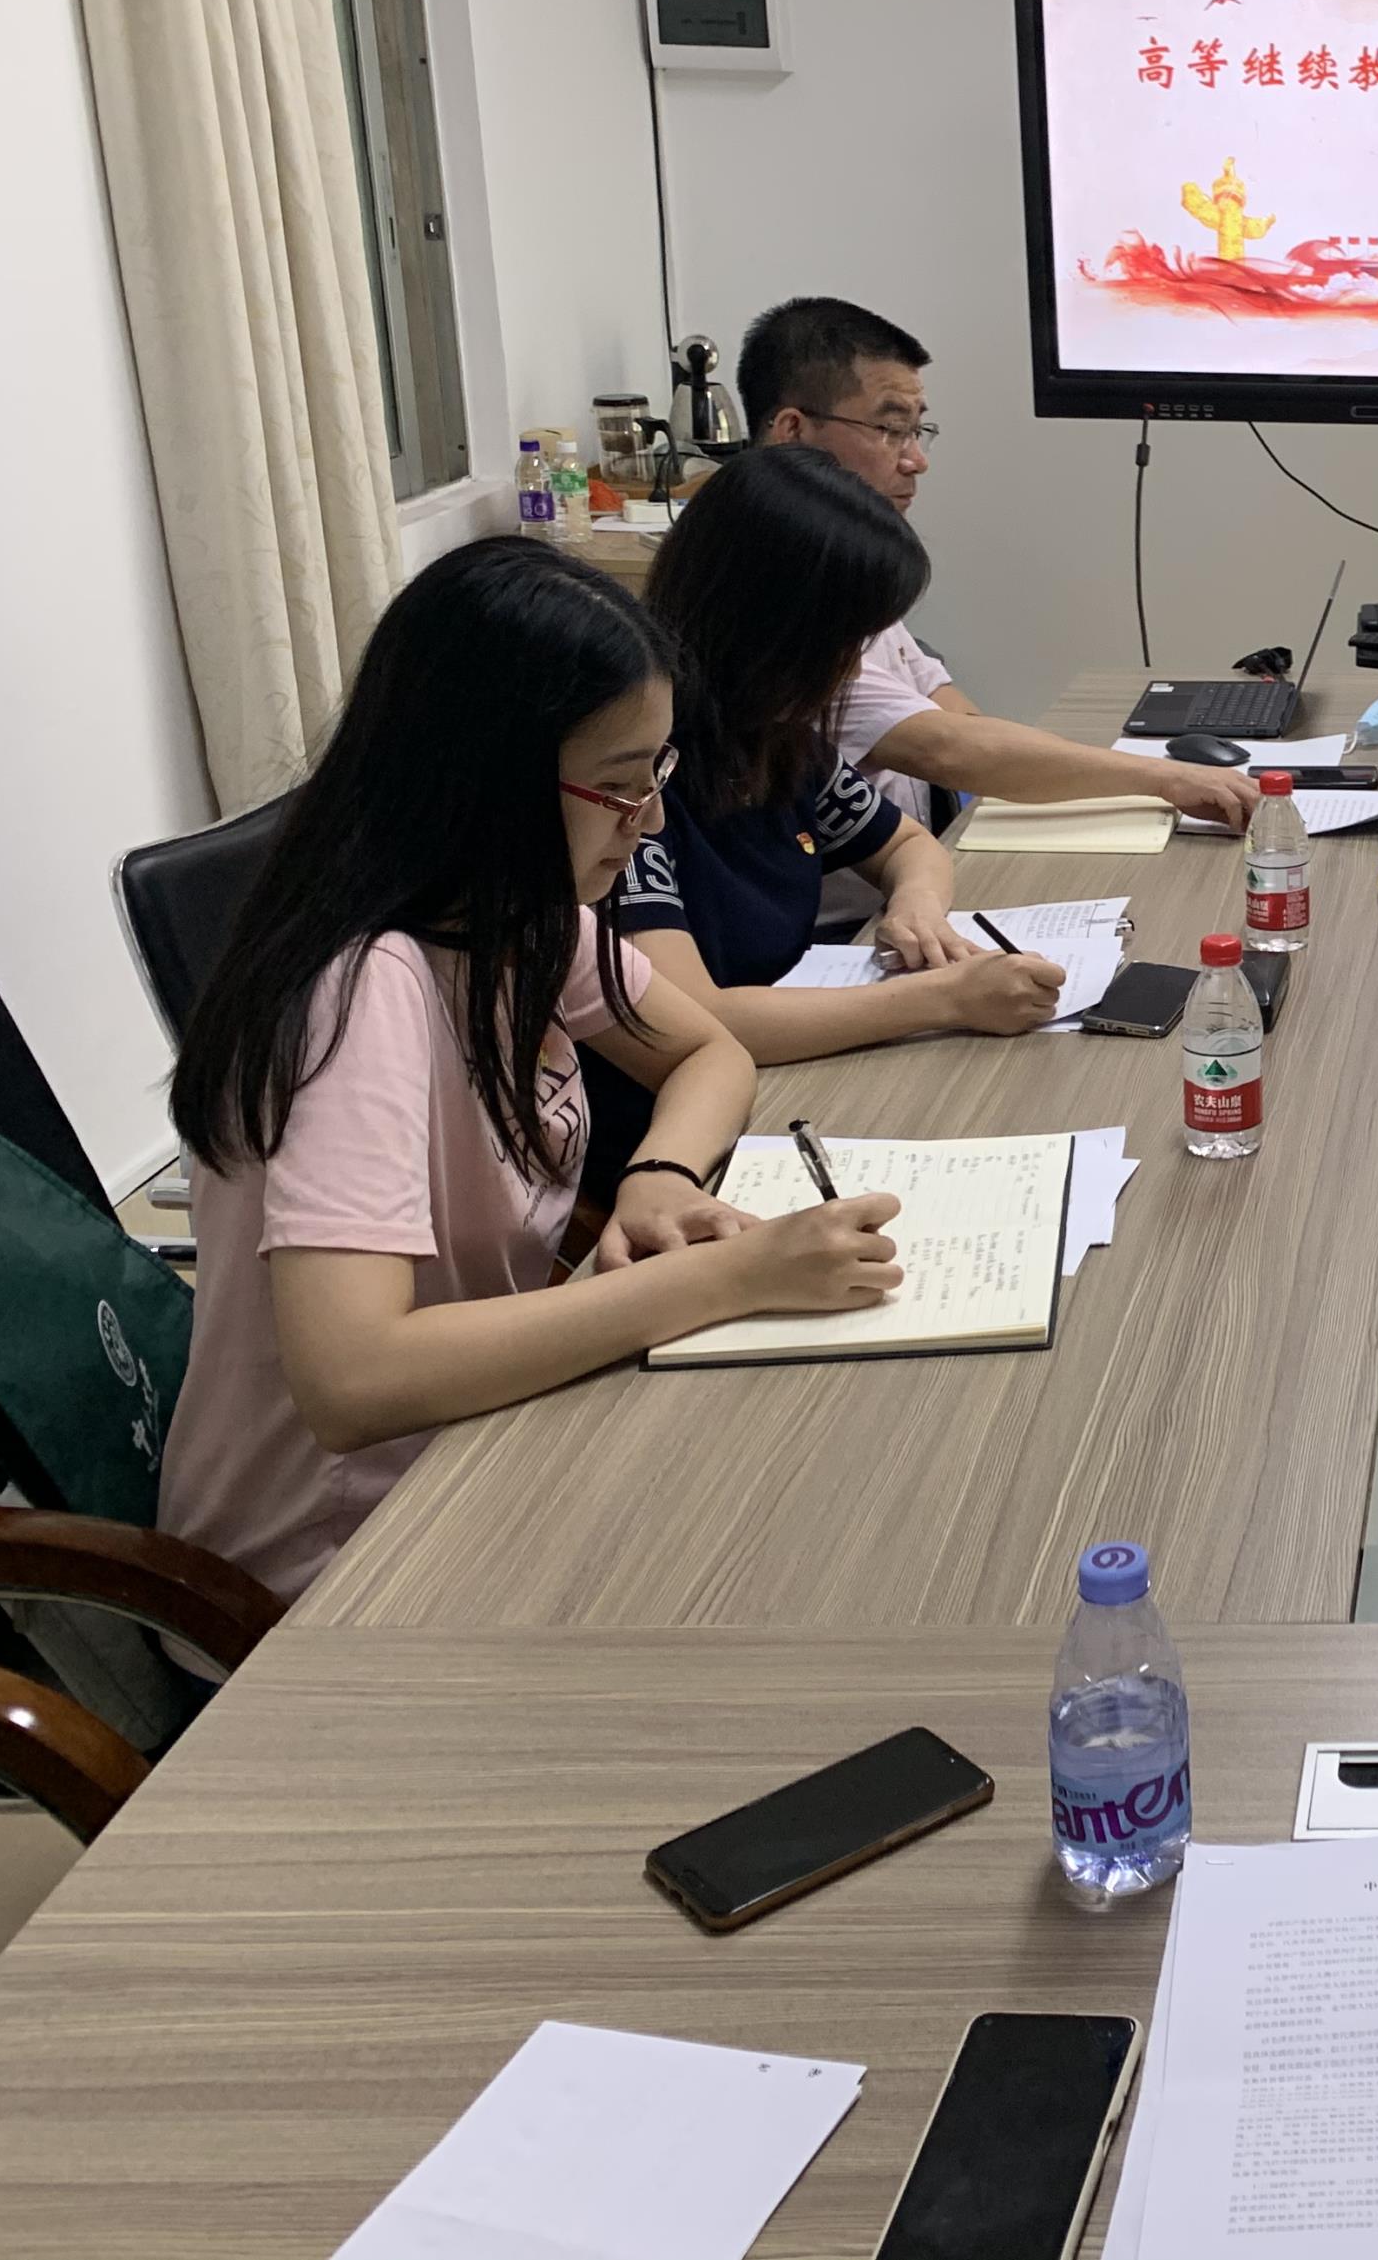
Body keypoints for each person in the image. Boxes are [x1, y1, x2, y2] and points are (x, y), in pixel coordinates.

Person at [159, 539, 907, 1605]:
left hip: (481, 1448)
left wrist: (661, 1178)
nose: (650, 818)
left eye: (657, 775)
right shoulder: (362, 989)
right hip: (337, 1569)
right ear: (490, 780)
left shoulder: (524, 918)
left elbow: (710, 1050)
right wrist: (726, 1277)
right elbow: (354, 1378)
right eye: (619, 786)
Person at [596, 448, 1069, 1156]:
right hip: (681, 1131)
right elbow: (696, 1016)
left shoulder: (773, 735)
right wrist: (944, 999)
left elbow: (906, 844)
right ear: (767, 628)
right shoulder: (635, 773)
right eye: (841, 643)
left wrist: (915, 906)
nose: (851, 668)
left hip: (794, 1076)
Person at [734, 294, 1258, 831]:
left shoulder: (844, 564)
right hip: (857, 885)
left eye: (917, 430)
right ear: (793, 432)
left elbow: (953, 717)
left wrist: (1052, 769)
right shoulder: (763, 590)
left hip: (914, 858)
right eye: (890, 429)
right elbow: (943, 748)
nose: (917, 460)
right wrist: (1165, 778)